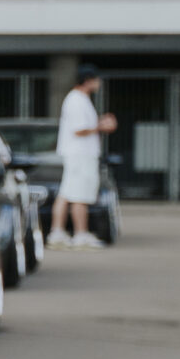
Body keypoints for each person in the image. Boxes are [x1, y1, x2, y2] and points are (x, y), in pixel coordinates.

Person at [53, 64, 115, 247]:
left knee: (66, 193)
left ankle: (57, 232)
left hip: (78, 154)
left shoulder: (79, 99)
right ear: (88, 80)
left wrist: (98, 123)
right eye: (96, 80)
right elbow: (79, 129)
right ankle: (80, 234)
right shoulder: (76, 100)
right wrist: (102, 126)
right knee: (79, 195)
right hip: (80, 155)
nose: (99, 83)